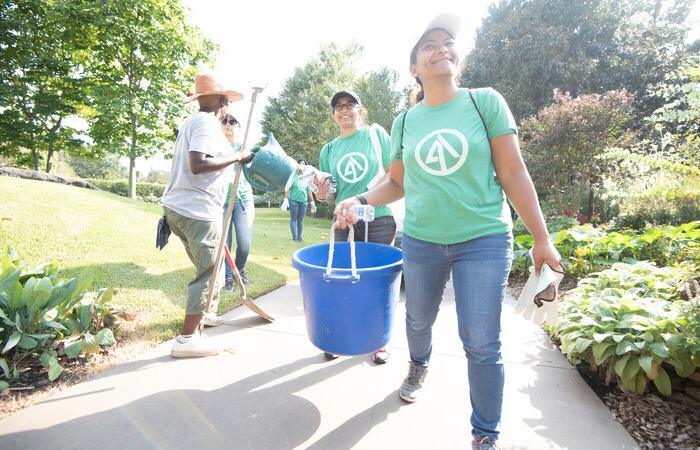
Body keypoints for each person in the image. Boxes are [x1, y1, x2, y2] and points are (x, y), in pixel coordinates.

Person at [335, 13, 563, 450]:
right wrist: (360, 200)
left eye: (448, 42)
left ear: (458, 56)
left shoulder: (485, 102)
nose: (442, 48)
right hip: (421, 240)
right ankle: (419, 364)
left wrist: (541, 236)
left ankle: (485, 434)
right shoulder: (404, 122)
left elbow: (513, 172)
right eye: (429, 46)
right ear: (414, 68)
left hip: (484, 239)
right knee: (418, 319)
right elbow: (396, 184)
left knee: (480, 340)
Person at [161, 72, 253, 358]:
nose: (227, 101)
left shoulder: (195, 122)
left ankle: (204, 316)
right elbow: (199, 164)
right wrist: (238, 156)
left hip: (181, 208)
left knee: (208, 268)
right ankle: (187, 339)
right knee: (208, 273)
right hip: (196, 211)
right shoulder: (204, 122)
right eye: (222, 95)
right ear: (207, 99)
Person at [315, 90, 395, 365]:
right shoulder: (329, 149)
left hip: (379, 216)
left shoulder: (376, 135)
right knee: (339, 280)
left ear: (360, 109)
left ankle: (378, 341)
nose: (344, 109)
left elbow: (392, 175)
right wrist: (321, 193)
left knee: (376, 282)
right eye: (338, 106)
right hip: (343, 220)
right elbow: (329, 193)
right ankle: (340, 337)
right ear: (333, 114)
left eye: (350, 105)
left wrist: (363, 200)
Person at [220, 113, 254, 288]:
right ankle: (227, 275)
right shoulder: (216, 147)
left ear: (239, 127)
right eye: (224, 121)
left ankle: (239, 268)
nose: (228, 124)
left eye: (233, 121)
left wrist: (245, 154)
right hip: (221, 201)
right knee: (225, 242)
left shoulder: (245, 147)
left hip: (243, 201)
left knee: (244, 242)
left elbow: (253, 157)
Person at [282, 158, 315, 242]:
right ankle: (295, 237)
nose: (302, 165)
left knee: (300, 220)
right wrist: (285, 200)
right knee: (293, 219)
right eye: (300, 163)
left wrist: (312, 202)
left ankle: (299, 237)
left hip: (303, 202)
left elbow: (309, 190)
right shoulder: (293, 177)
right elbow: (288, 188)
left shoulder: (307, 178)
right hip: (293, 201)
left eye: (304, 163)